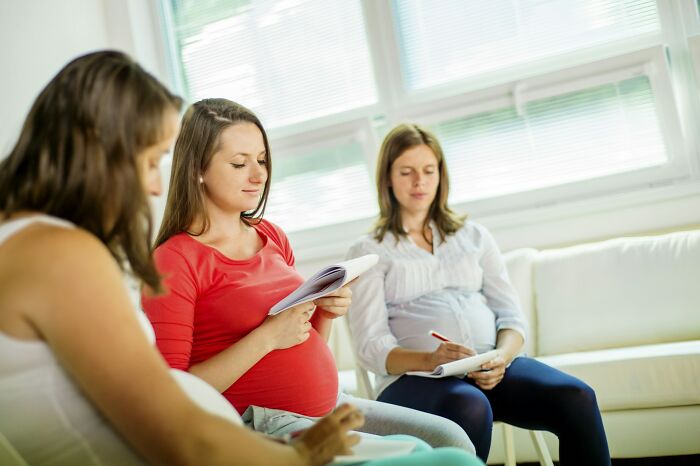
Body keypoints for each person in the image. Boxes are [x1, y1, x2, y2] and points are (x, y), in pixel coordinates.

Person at [0, 49, 399, 466]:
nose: (156, 186)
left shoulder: (31, 242)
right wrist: (297, 456)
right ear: (102, 150)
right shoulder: (58, 255)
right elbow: (174, 425)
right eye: (151, 161)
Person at [141, 98, 483, 465]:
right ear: (197, 169)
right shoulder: (173, 260)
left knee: (451, 438)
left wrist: (325, 313)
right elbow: (175, 397)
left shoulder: (270, 235)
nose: (258, 175)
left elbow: (306, 343)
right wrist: (267, 337)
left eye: (262, 160)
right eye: (240, 163)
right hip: (262, 426)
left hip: (330, 407)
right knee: (445, 459)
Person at [345, 123, 612, 465]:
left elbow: (512, 318)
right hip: (416, 381)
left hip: (490, 367)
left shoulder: (474, 236)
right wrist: (431, 360)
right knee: (469, 406)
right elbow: (371, 347)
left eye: (429, 171)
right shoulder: (370, 249)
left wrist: (501, 357)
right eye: (407, 172)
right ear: (387, 179)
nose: (419, 182)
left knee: (577, 396)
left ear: (441, 175)